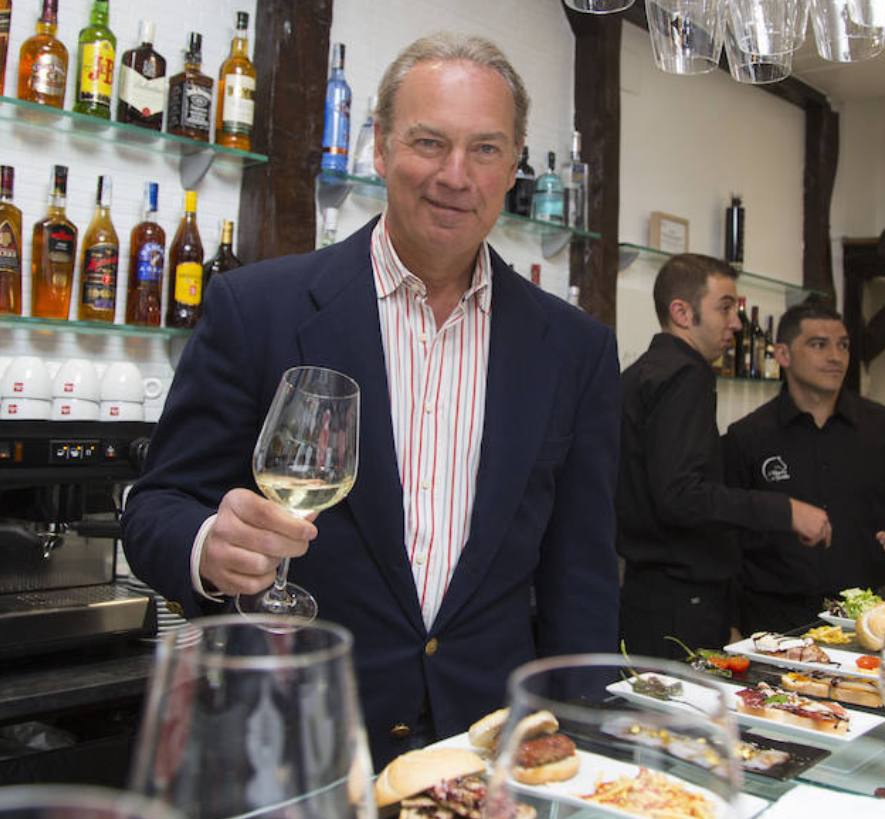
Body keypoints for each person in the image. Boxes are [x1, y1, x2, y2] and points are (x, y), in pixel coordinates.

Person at [122, 32, 621, 767]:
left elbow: (580, 576)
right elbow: (156, 507)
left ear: (514, 165)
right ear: (380, 147)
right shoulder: (257, 310)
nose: (455, 175)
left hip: (487, 750)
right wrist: (208, 546)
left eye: (485, 149)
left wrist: (588, 753)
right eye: (428, 142)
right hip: (294, 739)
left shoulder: (574, 348)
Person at [616, 254, 831, 660]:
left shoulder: (642, 373)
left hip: (649, 596)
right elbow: (680, 495)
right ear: (682, 312)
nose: (736, 322)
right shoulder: (685, 374)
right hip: (679, 601)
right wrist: (785, 511)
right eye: (725, 307)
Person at [723, 302, 885, 634]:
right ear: (783, 354)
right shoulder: (747, 437)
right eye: (818, 344)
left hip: (870, 613)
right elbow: (727, 535)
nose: (836, 356)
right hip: (772, 619)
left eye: (843, 345)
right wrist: (731, 623)